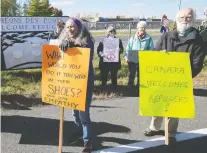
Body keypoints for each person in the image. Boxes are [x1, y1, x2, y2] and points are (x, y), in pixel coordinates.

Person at [144, 8, 206, 145]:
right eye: (182, 17)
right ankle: (154, 127)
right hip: (162, 79)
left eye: (188, 17)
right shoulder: (167, 35)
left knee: (174, 108)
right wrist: (160, 54)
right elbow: (154, 52)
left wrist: (184, 75)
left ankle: (171, 133)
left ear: (193, 19)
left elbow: (197, 63)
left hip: (180, 81)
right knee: (158, 103)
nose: (185, 19)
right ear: (177, 19)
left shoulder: (197, 39)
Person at [59, 17, 94, 153]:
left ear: (79, 28)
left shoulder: (87, 40)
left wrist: (74, 46)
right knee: (74, 112)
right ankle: (78, 131)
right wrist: (63, 44)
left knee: (83, 113)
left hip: (84, 81)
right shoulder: (65, 39)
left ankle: (87, 141)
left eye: (72, 26)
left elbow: (86, 55)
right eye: (67, 27)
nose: (70, 29)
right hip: (70, 81)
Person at [125, 21, 154, 88]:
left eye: (143, 28)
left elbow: (151, 49)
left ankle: (140, 87)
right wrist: (126, 57)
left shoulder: (148, 38)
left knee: (141, 74)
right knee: (132, 73)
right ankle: (130, 86)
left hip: (143, 59)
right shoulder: (133, 38)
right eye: (140, 28)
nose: (142, 30)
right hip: (133, 58)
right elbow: (128, 48)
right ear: (137, 29)